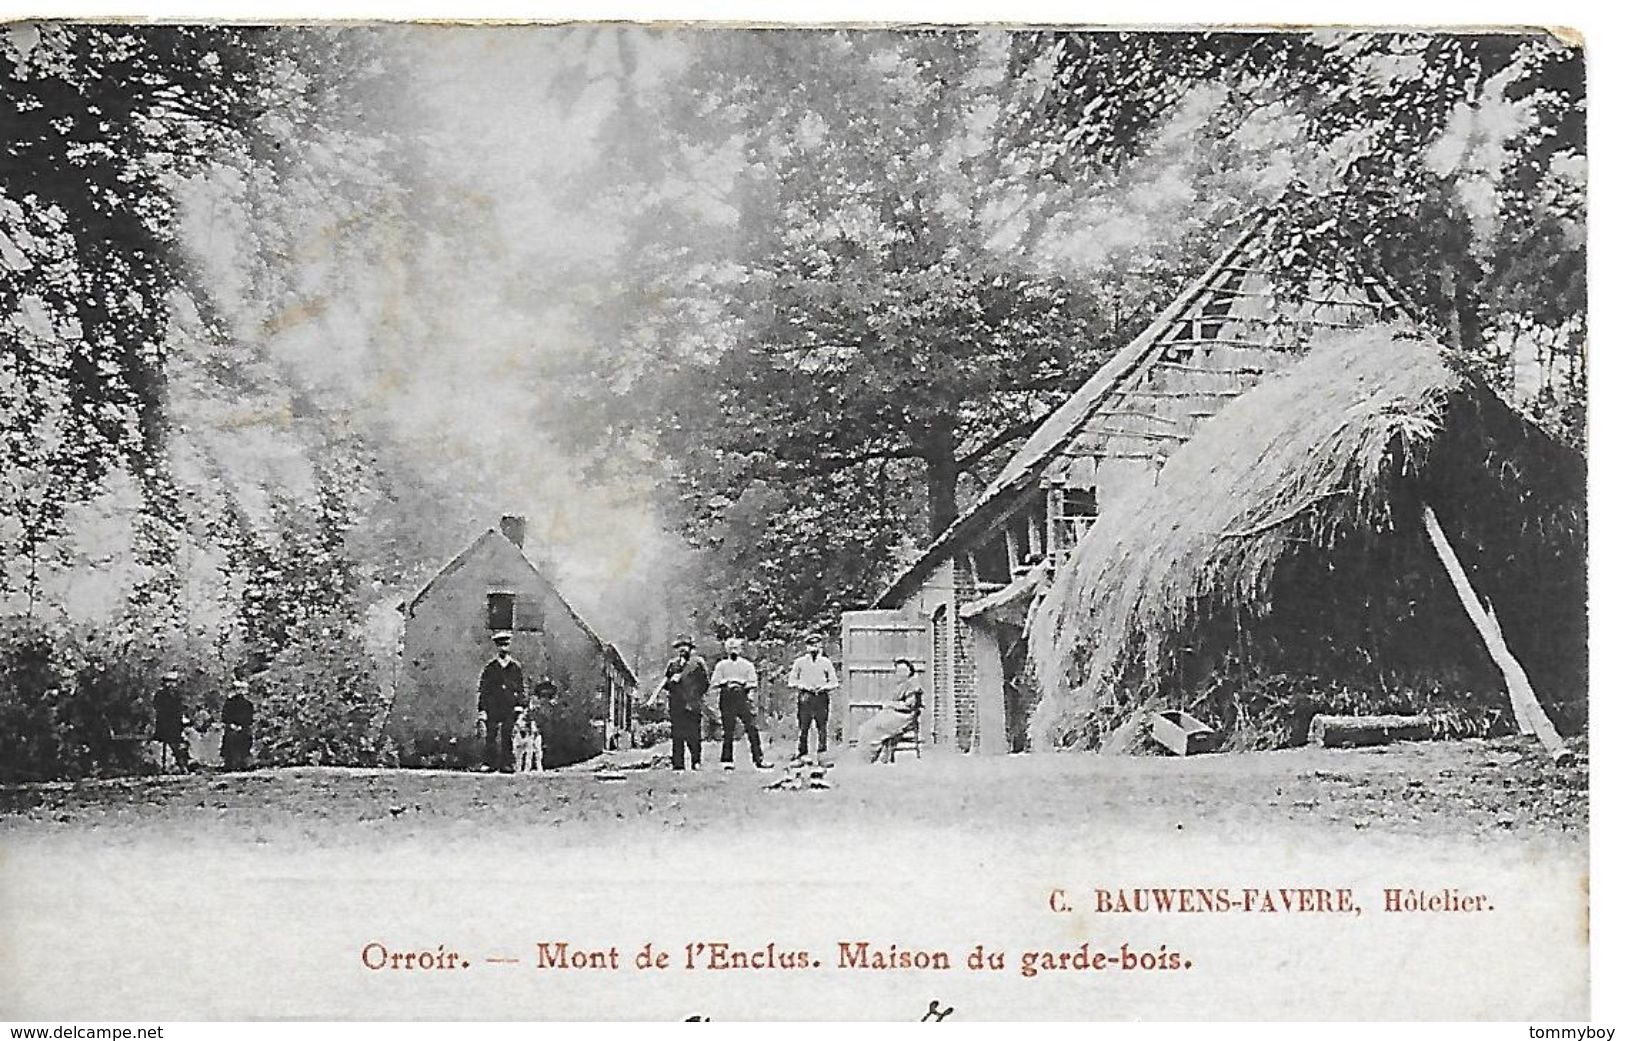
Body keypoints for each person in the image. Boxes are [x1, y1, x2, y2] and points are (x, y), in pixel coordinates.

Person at [711, 637, 770, 771]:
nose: (733, 651)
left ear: (741, 649)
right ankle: (727, 760)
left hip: (742, 697)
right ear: (726, 650)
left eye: (736, 648)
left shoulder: (747, 665)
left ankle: (759, 759)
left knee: (751, 728)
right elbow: (715, 682)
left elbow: (753, 682)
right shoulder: (721, 665)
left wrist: (741, 684)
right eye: (730, 648)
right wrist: (726, 682)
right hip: (727, 697)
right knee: (728, 730)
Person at [857, 659, 925, 764]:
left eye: (903, 670)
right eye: (898, 671)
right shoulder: (901, 685)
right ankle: (867, 756)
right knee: (866, 727)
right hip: (894, 714)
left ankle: (870, 757)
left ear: (909, 671)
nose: (900, 673)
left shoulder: (913, 684)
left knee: (873, 729)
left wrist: (891, 705)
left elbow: (909, 705)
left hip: (904, 717)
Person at [788, 633, 838, 764]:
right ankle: (802, 754)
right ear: (806, 647)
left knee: (822, 727)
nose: (813, 648)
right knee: (804, 726)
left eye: (816, 645)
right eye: (811, 645)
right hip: (806, 697)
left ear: (820, 646)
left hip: (821, 697)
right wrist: (803, 686)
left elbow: (834, 682)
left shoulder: (826, 662)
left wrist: (824, 687)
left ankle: (822, 756)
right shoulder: (800, 662)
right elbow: (791, 681)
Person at [478, 632, 524, 773]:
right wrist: (482, 710)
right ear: (497, 647)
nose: (503, 648)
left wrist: (519, 705)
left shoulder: (515, 668)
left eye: (505, 645)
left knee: (507, 734)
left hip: (509, 706)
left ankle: (507, 764)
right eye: (500, 645)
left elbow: (520, 688)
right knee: (491, 735)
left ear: (509, 646)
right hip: (493, 706)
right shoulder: (491, 668)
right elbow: (484, 690)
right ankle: (489, 763)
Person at [659, 635, 708, 771]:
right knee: (677, 735)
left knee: (694, 735)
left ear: (690, 648)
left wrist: (695, 695)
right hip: (676, 706)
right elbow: (666, 685)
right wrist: (671, 681)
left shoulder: (697, 663)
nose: (682, 649)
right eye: (679, 646)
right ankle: (678, 764)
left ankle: (696, 761)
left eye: (685, 646)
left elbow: (705, 683)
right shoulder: (672, 665)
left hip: (692, 705)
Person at [152, 669, 191, 773]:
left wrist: (183, 717)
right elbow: (158, 708)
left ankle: (183, 765)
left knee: (180, 743)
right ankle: (171, 766)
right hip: (164, 724)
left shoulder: (177, 695)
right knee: (170, 744)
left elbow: (181, 708)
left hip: (175, 724)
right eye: (168, 681)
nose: (170, 684)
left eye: (173, 682)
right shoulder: (160, 695)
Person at [221, 680, 254, 772]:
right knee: (230, 740)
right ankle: (231, 763)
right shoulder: (229, 703)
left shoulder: (248, 704)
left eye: (241, 689)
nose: (239, 691)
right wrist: (231, 724)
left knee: (244, 741)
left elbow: (249, 718)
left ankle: (243, 762)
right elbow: (225, 716)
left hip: (243, 728)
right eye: (237, 689)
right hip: (232, 728)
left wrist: (242, 726)